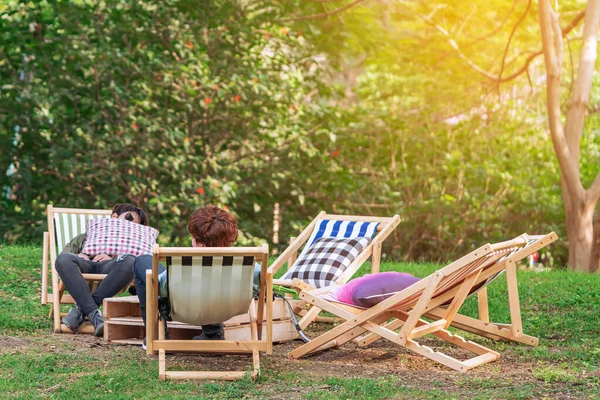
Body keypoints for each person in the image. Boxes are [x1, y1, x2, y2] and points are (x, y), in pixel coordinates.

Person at [133, 205, 238, 350]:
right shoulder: (244, 265)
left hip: (181, 307)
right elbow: (257, 285)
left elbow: (162, 288)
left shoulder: (184, 264)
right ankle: (213, 334)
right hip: (226, 306)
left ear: (199, 242)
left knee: (142, 261)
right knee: (211, 286)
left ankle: (156, 334)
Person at [56, 203, 149, 337]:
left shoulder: (130, 245)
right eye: (128, 221)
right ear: (114, 216)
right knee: (63, 259)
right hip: (85, 267)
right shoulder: (85, 237)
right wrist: (81, 255)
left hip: (111, 271)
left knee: (130, 260)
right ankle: (95, 316)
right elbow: (65, 254)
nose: (129, 228)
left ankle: (82, 312)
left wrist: (115, 257)